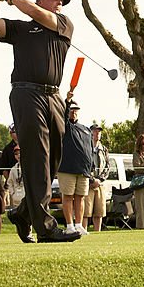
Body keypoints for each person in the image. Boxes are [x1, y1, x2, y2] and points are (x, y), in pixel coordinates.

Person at [0, 0, 80, 243]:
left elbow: (41, 16)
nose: (59, 2)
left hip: (54, 96)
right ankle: (46, 228)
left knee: (52, 162)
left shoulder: (63, 23)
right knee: (38, 157)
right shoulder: (21, 28)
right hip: (27, 94)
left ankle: (24, 213)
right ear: (39, 0)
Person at [57, 97, 92, 236]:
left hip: (83, 169)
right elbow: (63, 115)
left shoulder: (86, 129)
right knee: (68, 197)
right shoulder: (64, 125)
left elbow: (89, 149)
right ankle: (69, 225)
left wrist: (91, 169)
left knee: (80, 197)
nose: (73, 112)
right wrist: (67, 101)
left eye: (75, 110)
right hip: (67, 168)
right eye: (71, 110)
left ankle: (79, 225)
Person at [83, 123, 109, 233]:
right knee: (85, 211)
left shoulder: (104, 149)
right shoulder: (85, 147)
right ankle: (82, 231)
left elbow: (107, 167)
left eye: (99, 131)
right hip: (88, 184)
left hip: (100, 184)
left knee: (99, 211)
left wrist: (100, 180)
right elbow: (83, 165)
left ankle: (97, 233)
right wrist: (91, 180)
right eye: (94, 131)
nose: (97, 133)